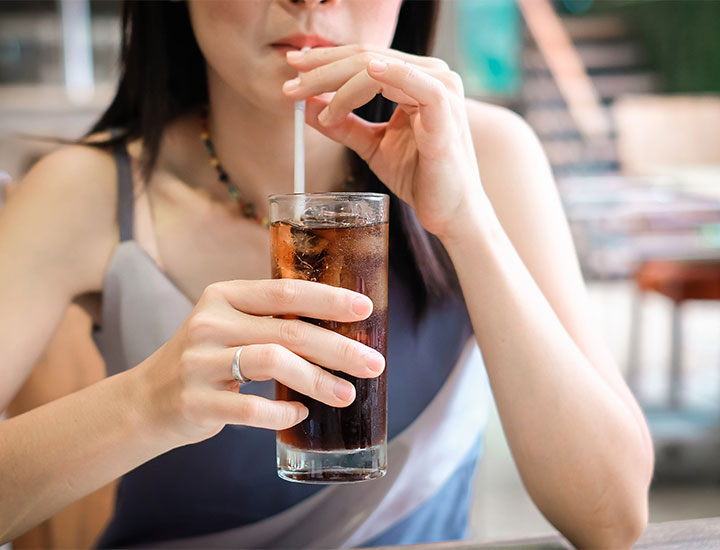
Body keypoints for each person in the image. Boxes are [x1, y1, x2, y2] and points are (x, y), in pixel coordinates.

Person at [0, 0, 654, 547]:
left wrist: (468, 222)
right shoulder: (84, 192)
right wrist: (144, 403)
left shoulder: (486, 156)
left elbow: (614, 518)